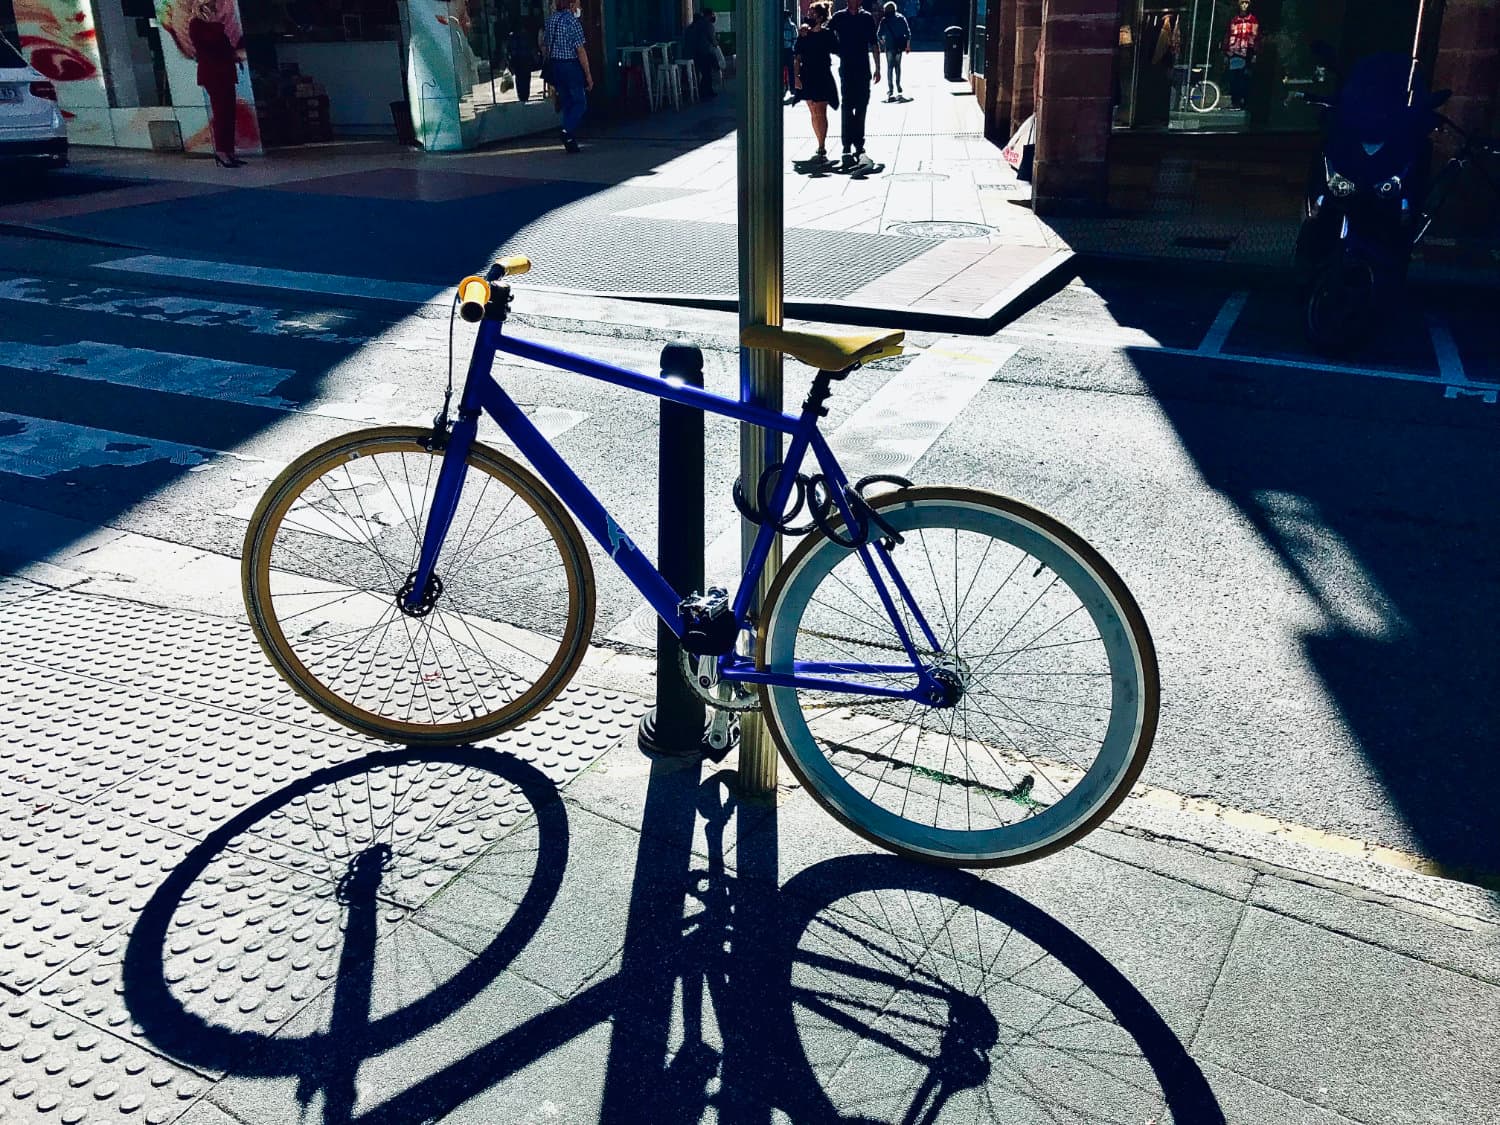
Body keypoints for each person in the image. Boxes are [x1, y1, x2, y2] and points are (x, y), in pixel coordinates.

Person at [187, 0, 245, 168]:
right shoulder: (196, 24)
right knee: (221, 113)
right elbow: (208, 45)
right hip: (213, 74)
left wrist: (235, 56)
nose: (215, 9)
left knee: (229, 113)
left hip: (225, 72)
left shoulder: (213, 25)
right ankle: (221, 151)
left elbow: (223, 47)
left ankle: (229, 151)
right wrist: (216, 24)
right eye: (211, 6)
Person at [829, 0, 880, 169]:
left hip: (863, 68)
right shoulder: (839, 17)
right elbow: (825, 34)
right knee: (847, 105)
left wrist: (878, 68)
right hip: (847, 68)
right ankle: (846, 145)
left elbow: (874, 43)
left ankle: (859, 143)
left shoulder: (866, 18)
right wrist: (837, 50)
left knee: (862, 106)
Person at [542, 0, 592, 152]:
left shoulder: (551, 20)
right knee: (580, 102)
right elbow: (580, 50)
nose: (579, 8)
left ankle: (570, 140)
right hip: (570, 66)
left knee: (567, 102)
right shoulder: (572, 21)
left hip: (556, 66)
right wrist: (588, 75)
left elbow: (545, 45)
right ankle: (566, 130)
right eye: (577, 4)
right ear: (571, 5)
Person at [793, 2, 839, 165]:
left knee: (820, 110)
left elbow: (838, 49)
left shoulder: (827, 34)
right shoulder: (804, 34)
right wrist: (796, 77)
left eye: (812, 14)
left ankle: (821, 145)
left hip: (822, 75)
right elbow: (797, 56)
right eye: (809, 13)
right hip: (807, 75)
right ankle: (820, 142)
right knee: (812, 110)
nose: (809, 16)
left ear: (820, 17)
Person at [876, 1, 910, 101]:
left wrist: (883, 42)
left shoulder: (884, 20)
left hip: (889, 46)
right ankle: (898, 84)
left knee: (890, 67)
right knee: (898, 66)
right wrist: (907, 46)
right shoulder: (901, 18)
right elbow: (908, 33)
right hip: (899, 46)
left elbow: (878, 34)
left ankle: (890, 88)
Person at [508, 20, 539, 103]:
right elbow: (532, 48)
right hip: (526, 60)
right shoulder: (527, 36)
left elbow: (510, 50)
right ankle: (525, 95)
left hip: (517, 61)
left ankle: (521, 96)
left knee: (519, 79)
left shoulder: (512, 37)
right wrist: (536, 58)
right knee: (526, 78)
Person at [783, 6, 800, 104]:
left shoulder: (779, 26)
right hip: (789, 50)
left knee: (783, 70)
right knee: (791, 70)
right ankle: (792, 88)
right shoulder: (792, 26)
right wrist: (794, 50)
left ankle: (784, 86)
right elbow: (795, 38)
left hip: (783, 51)